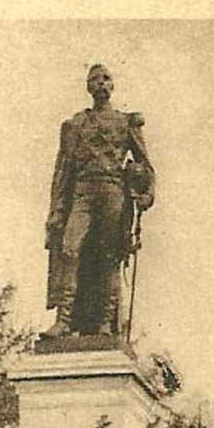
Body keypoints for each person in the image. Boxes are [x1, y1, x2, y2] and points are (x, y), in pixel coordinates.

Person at [42, 63, 154, 345]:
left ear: (112, 86)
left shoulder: (125, 122)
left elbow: (146, 166)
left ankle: (105, 323)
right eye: (95, 79)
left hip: (112, 191)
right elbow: (62, 171)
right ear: (88, 87)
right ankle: (63, 321)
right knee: (69, 249)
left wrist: (145, 195)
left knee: (109, 257)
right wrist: (56, 210)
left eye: (106, 79)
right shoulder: (74, 124)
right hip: (82, 192)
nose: (101, 83)